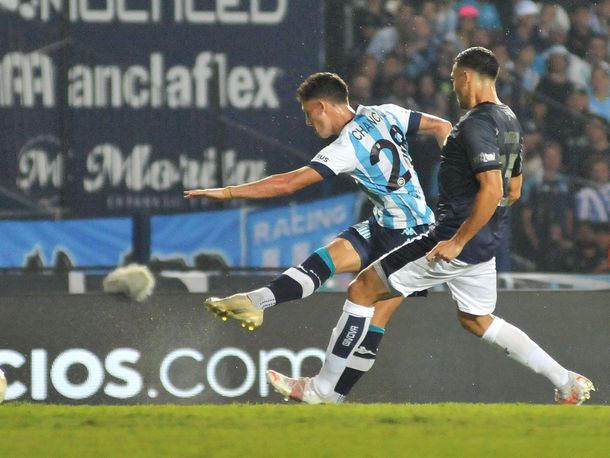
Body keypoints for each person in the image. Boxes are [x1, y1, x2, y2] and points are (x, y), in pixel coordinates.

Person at [267, 47, 595, 405]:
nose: (452, 86)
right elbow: (513, 190)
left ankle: (321, 390)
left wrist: (459, 239)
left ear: (466, 77)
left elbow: (494, 188)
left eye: (454, 78)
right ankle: (566, 382)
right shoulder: (509, 119)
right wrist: (479, 226)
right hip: (485, 242)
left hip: (452, 239)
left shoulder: (475, 125)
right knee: (476, 319)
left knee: (362, 290)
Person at [184, 72, 452, 397]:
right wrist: (455, 181)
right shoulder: (385, 112)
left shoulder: (346, 146)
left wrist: (226, 192)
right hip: (387, 224)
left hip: (412, 238)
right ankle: (256, 302)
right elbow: (442, 127)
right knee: (324, 260)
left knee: (370, 315)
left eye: (309, 115)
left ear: (322, 106)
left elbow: (288, 183)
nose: (309, 124)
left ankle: (326, 394)